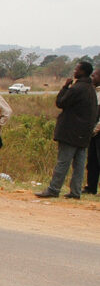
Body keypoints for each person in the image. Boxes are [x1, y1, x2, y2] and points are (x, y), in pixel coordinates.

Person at [35, 62, 99, 199]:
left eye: (77, 69)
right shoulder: (91, 89)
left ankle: (53, 189)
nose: (74, 71)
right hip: (84, 133)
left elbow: (60, 103)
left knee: (63, 162)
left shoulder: (77, 88)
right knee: (79, 165)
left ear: (82, 72)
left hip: (71, 131)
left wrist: (65, 87)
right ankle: (75, 192)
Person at [84, 70, 100, 194]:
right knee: (92, 161)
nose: (92, 77)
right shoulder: (95, 91)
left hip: (98, 131)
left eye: (94, 76)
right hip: (94, 133)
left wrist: (96, 128)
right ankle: (91, 187)